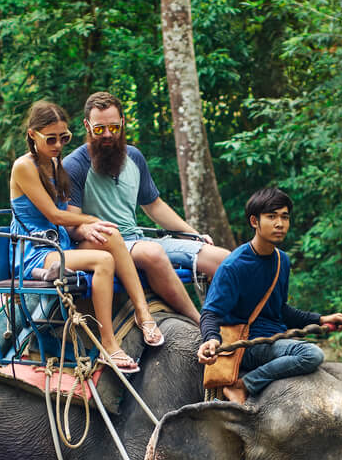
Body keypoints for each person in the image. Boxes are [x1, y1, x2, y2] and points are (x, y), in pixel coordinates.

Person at [8, 100, 162, 373]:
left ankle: (143, 312)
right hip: (37, 248)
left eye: (63, 138)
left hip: (60, 243)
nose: (58, 145)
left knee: (110, 234)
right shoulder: (24, 166)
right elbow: (55, 216)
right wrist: (89, 219)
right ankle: (108, 345)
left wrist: (90, 228)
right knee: (103, 261)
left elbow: (67, 213)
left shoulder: (56, 163)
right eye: (51, 139)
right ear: (33, 134)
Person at [62, 91, 229, 321]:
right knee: (153, 252)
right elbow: (71, 222)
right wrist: (88, 229)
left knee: (224, 259)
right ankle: (199, 322)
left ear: (122, 122)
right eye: (100, 129)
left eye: (114, 127)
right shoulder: (74, 165)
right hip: (104, 245)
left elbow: (154, 206)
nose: (108, 134)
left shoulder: (134, 157)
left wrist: (193, 235)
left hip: (138, 238)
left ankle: (237, 322)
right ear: (87, 126)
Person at [195, 186, 342, 403]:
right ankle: (244, 385)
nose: (280, 224)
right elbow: (211, 312)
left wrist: (321, 319)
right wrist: (211, 339)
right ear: (254, 222)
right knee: (311, 354)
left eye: (284, 217)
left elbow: (280, 310)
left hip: (275, 338)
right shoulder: (234, 265)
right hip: (247, 344)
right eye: (272, 217)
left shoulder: (282, 260)